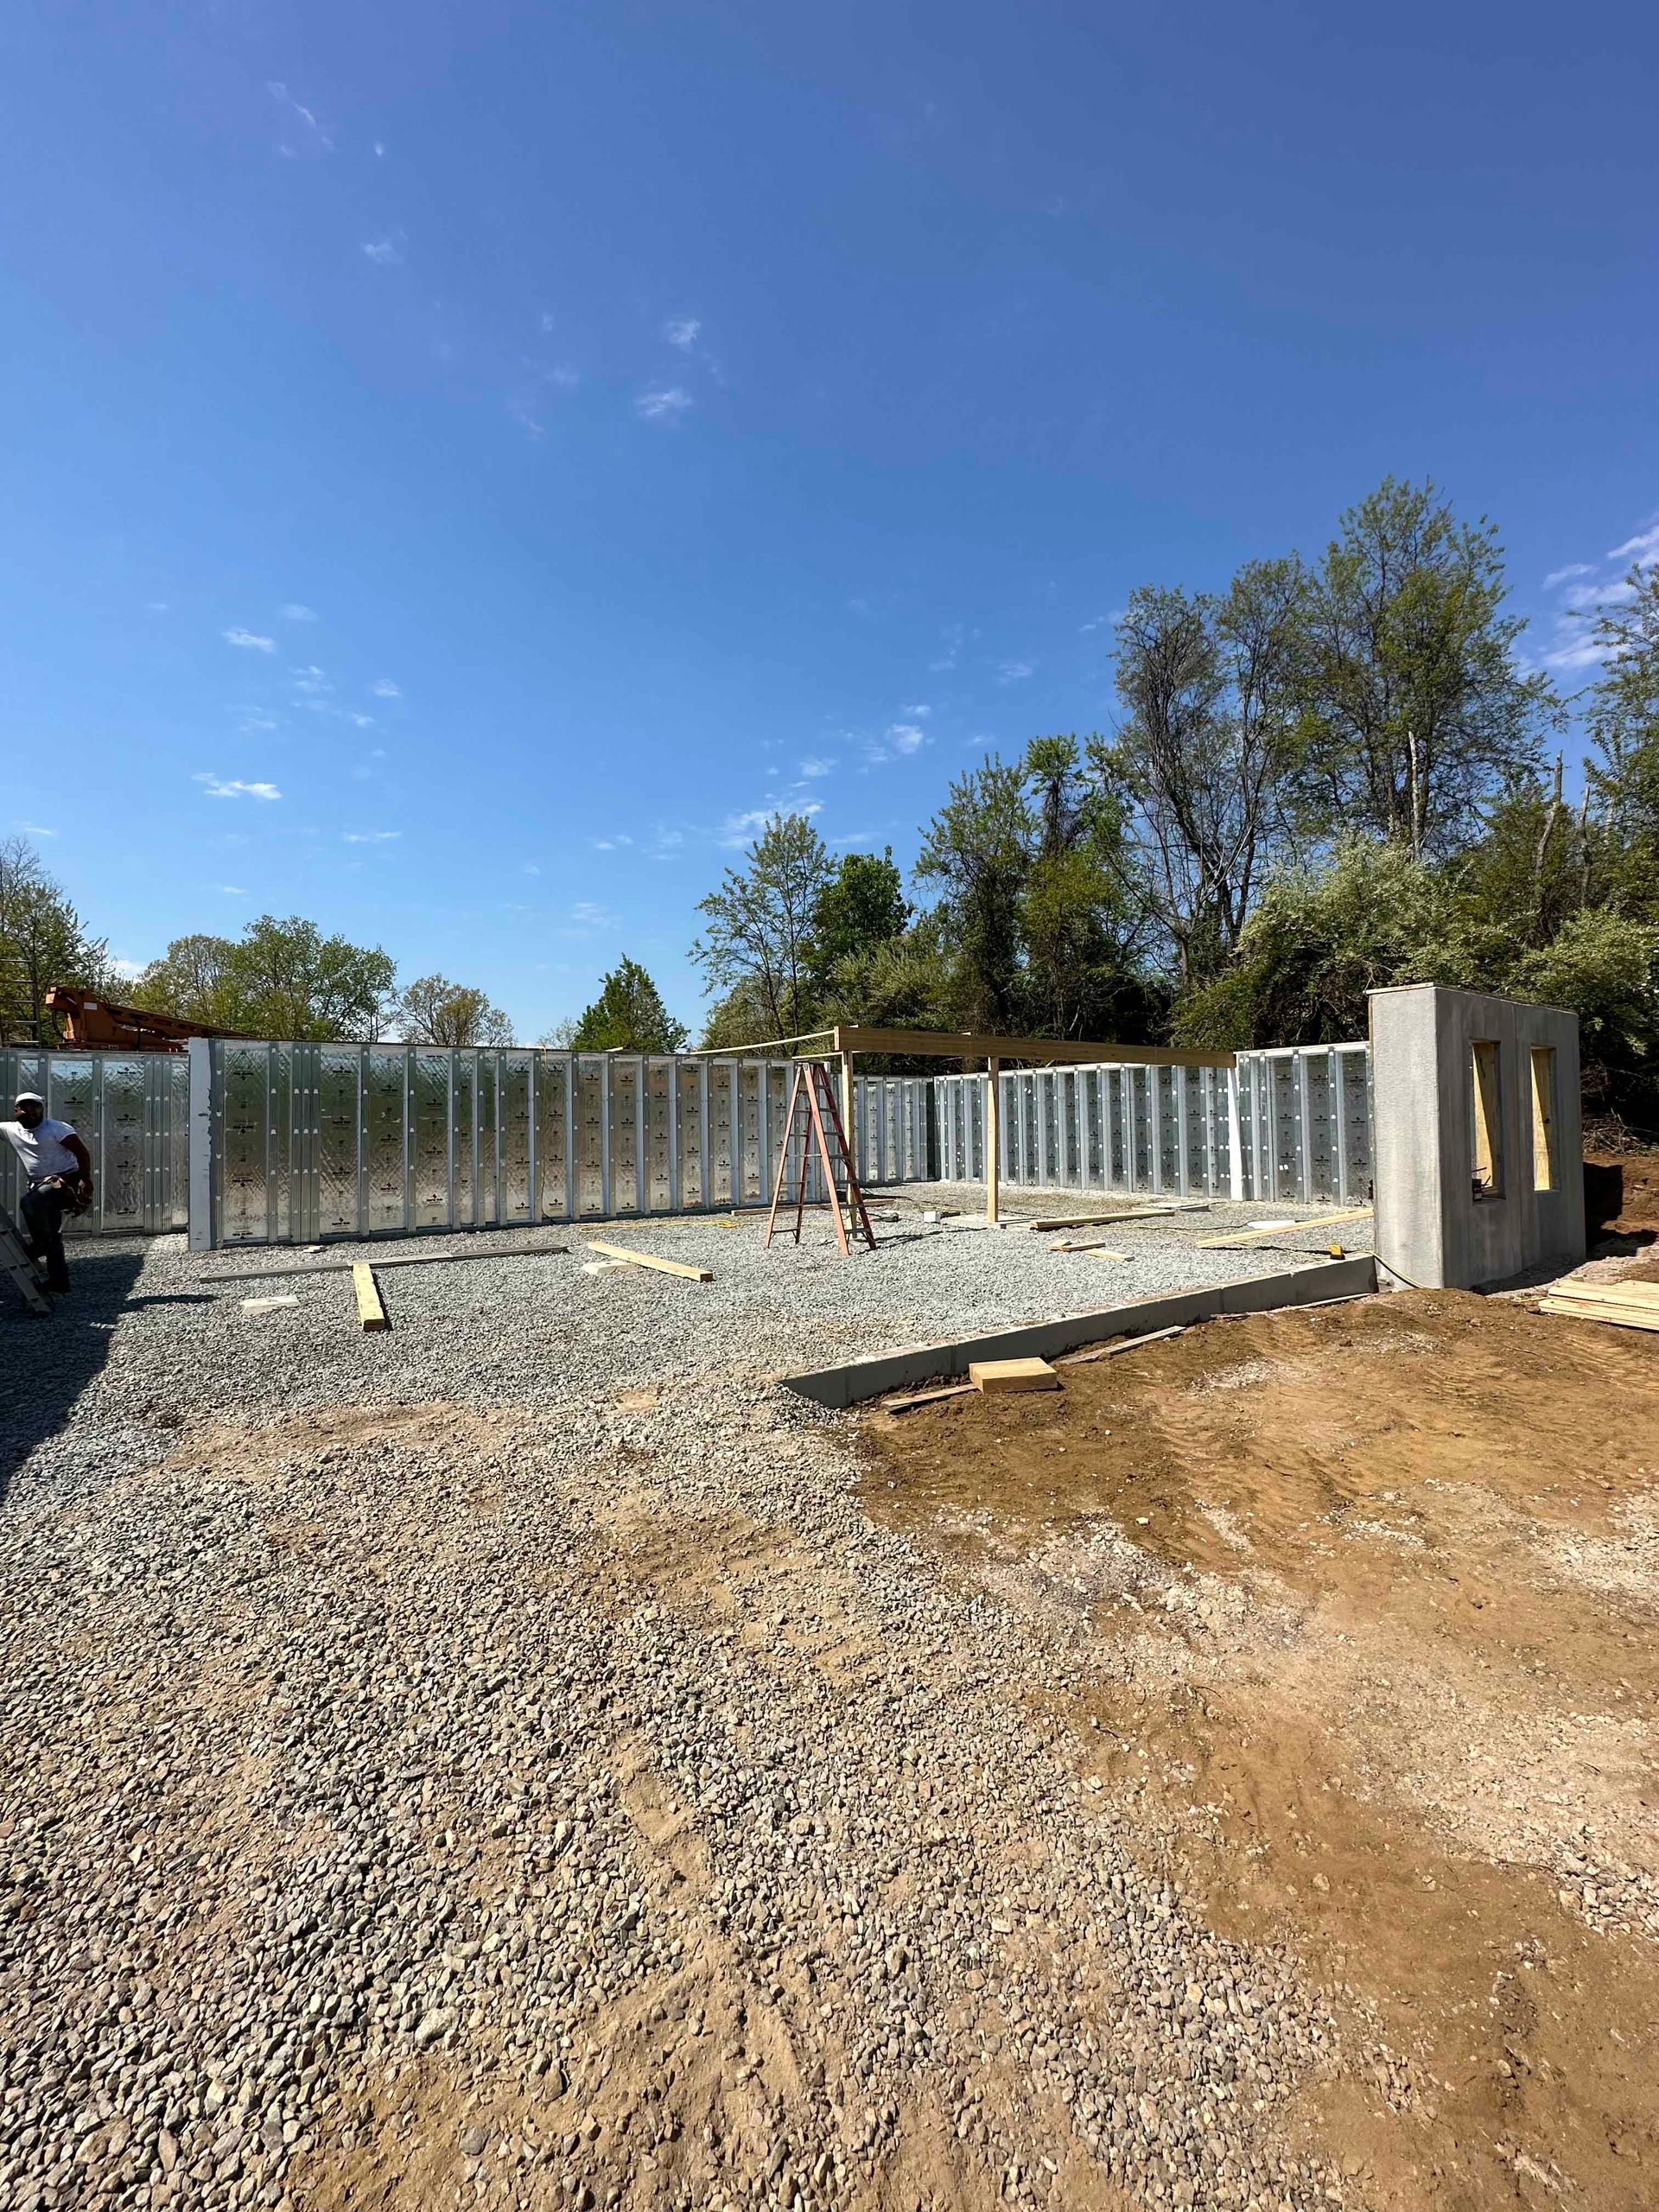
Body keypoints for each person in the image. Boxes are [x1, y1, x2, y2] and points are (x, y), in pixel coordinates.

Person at [1, 1090, 93, 1294]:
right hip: (39, 1185)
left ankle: (40, 1245)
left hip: (65, 1180)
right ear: (16, 1110)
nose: (31, 1111)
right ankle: (59, 1282)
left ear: (43, 1109)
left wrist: (85, 1180)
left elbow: (82, 1153)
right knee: (52, 1233)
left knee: (29, 1203)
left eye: (36, 1107)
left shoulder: (56, 1128)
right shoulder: (9, 1129)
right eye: (25, 1107)